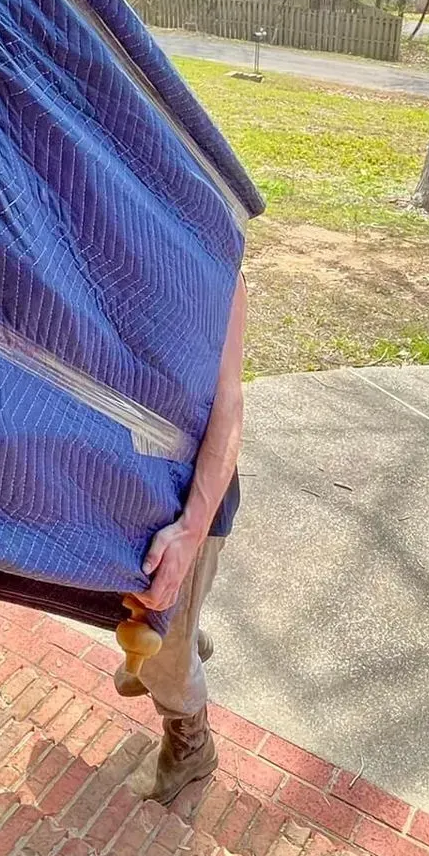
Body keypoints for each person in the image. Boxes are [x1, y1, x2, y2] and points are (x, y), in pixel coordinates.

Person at [117, 272, 247, 805]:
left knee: (164, 644)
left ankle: (191, 742)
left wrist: (191, 528)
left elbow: (228, 401)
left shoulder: (208, 261)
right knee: (149, 612)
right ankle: (186, 637)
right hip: (123, 493)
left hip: (182, 504)